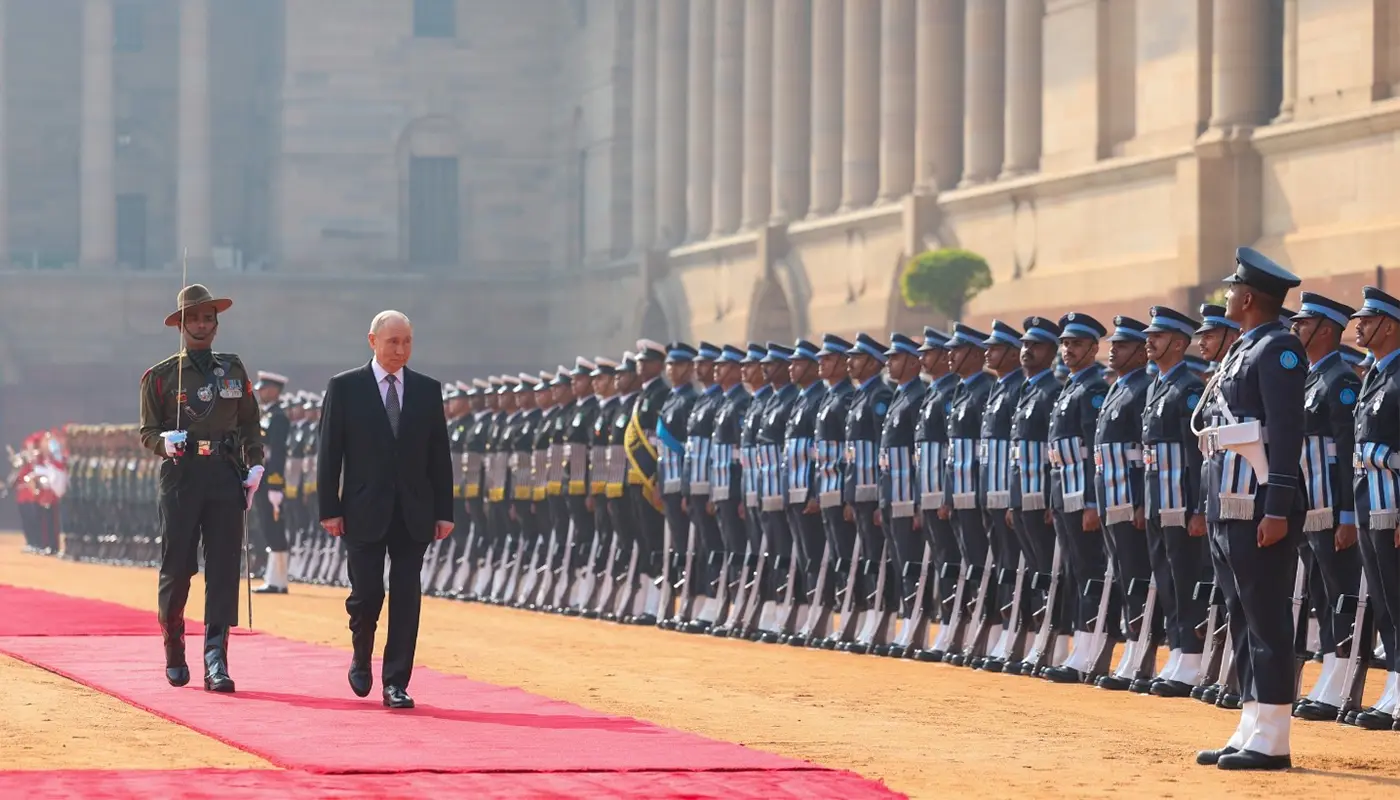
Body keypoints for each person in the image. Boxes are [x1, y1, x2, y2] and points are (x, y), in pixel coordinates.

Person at [1194, 247, 1305, 771]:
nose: (1227, 295)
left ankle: (1274, 737)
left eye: (1233, 288)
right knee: (1240, 616)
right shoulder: (1245, 347)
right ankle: (1251, 724)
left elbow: (1286, 431)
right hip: (1229, 501)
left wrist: (1277, 508)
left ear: (1248, 298)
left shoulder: (1279, 348)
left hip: (1260, 504)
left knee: (1266, 619)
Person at [317, 310, 454, 709]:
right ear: (372, 340)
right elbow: (329, 452)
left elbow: (439, 456)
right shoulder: (345, 387)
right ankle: (362, 655)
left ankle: (396, 681)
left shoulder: (427, 390)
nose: (400, 350)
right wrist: (329, 508)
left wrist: (444, 511)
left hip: (414, 511)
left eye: (407, 342)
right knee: (367, 593)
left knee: (407, 596)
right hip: (362, 509)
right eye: (393, 342)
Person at [139, 284, 264, 692]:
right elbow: (147, 431)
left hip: (224, 473)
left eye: (208, 318)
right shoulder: (161, 377)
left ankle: (216, 658)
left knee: (224, 566)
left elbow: (249, 421)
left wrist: (255, 463)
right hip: (182, 475)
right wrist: (164, 443)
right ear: (181, 325)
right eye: (193, 318)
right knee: (178, 567)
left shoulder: (233, 369)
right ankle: (174, 642)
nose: (201, 325)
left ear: (216, 324)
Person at [253, 371, 291, 594]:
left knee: (275, 526)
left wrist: (275, 484)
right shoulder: (267, 415)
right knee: (267, 525)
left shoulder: (278, 418)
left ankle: (278, 580)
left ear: (275, 391)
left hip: (272, 480)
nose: (261, 392)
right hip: (263, 478)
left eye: (265, 389)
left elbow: (277, 454)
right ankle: (273, 577)